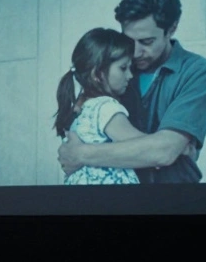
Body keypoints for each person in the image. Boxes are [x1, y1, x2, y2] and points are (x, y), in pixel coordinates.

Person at [58, 0, 206, 183]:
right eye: (129, 40)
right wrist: (168, 148)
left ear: (172, 29)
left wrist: (82, 154)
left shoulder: (198, 71)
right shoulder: (112, 68)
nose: (134, 52)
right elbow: (78, 131)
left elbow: (164, 152)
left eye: (146, 42)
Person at [54, 28, 141, 185]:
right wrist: (178, 148)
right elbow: (142, 148)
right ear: (98, 74)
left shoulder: (79, 111)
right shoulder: (106, 107)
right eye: (123, 68)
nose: (130, 75)